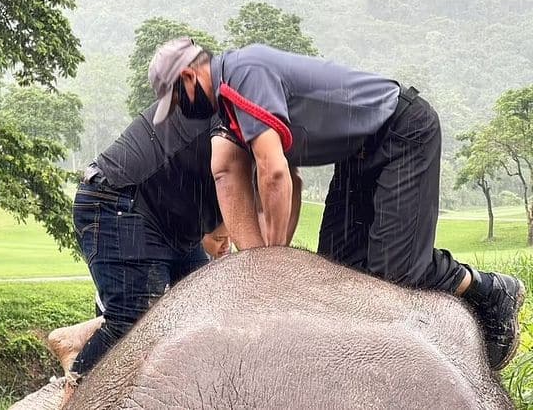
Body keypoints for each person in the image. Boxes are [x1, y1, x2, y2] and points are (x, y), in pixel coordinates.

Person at [147, 37, 525, 370]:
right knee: (337, 272)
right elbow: (290, 181)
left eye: (177, 100)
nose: (181, 108)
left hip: (402, 131)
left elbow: (274, 175)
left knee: (397, 274)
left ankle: (490, 290)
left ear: (189, 78)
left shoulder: (244, 75)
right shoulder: (232, 104)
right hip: (358, 152)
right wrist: (269, 256)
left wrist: (269, 263)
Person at [66, 99, 223, 389]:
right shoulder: (234, 117)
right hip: (120, 202)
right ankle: (73, 396)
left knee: (200, 312)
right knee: (131, 326)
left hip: (170, 224)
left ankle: (79, 338)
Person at [47, 224, 231, 375]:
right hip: (123, 297)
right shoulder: (188, 251)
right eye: (219, 239)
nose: (226, 245)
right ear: (200, 236)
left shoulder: (206, 256)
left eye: (228, 238)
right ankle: (74, 353)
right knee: (131, 333)